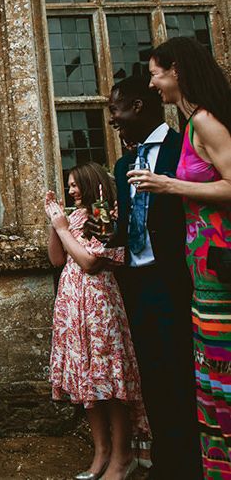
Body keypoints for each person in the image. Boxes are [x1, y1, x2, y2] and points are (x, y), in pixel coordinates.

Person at [130, 36, 231, 477]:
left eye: (155, 74)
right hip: (203, 271)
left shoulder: (207, 122)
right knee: (211, 381)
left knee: (224, 379)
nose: (153, 85)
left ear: (177, 72)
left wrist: (168, 185)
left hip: (223, 267)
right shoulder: (191, 124)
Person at [104, 75, 201, 479]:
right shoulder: (125, 163)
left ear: (138, 107)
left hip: (174, 281)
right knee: (152, 378)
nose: (114, 121)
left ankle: (191, 465)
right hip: (137, 285)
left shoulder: (184, 150)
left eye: (117, 111)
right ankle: (165, 464)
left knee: (180, 373)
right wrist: (107, 236)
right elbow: (129, 226)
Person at [45, 163, 147, 480]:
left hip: (99, 303)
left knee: (107, 381)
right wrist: (55, 223)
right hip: (72, 306)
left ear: (90, 184)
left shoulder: (105, 217)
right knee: (87, 381)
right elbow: (57, 259)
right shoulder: (73, 217)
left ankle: (123, 455)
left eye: (75, 185)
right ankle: (100, 453)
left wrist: (63, 229)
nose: (71, 190)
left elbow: (90, 262)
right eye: (69, 185)